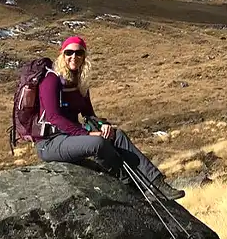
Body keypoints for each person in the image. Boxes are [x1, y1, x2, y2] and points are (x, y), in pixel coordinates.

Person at [31, 36, 185, 200]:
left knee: (116, 135)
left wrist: (101, 125)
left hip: (69, 137)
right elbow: (54, 117)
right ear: (62, 54)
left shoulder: (80, 82)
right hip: (49, 143)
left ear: (84, 56)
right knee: (97, 143)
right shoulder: (51, 80)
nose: (74, 57)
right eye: (69, 52)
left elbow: (88, 114)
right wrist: (87, 134)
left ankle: (157, 184)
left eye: (79, 53)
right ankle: (128, 182)